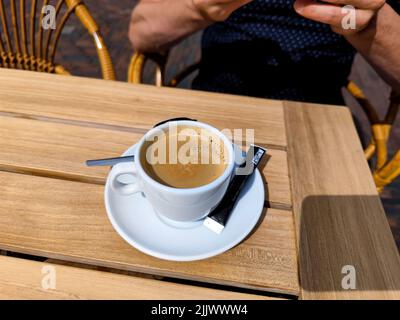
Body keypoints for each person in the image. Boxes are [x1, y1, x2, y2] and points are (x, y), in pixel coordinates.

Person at [128, 0, 400, 104]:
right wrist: (197, 6)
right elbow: (142, 34)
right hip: (215, 103)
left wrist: (361, 23)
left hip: (317, 117)